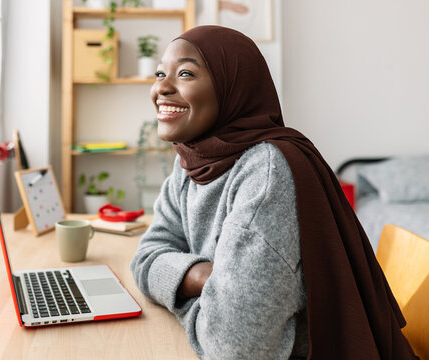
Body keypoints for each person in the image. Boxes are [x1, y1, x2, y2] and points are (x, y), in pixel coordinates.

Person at [130, 25, 417, 360]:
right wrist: (200, 277)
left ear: (232, 86)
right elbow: (146, 257)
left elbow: (234, 348)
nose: (161, 87)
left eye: (185, 74)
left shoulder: (266, 175)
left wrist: (179, 291)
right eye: (160, 73)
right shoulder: (191, 160)